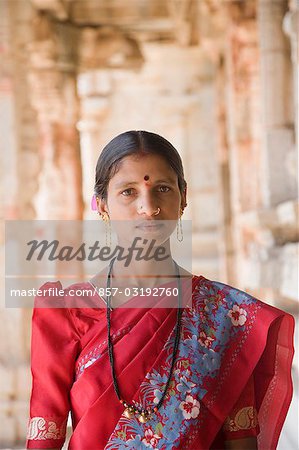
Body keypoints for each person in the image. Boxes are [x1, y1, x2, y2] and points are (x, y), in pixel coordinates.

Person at [26, 130, 295, 450]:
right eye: (128, 191)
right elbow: (45, 435)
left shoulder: (223, 313)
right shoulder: (65, 310)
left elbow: (241, 439)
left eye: (162, 189)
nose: (148, 207)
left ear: (183, 198)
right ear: (101, 205)